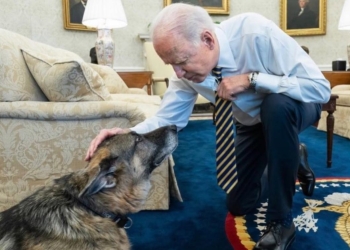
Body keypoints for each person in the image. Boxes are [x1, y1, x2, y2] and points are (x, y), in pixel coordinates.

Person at [85, 3, 330, 249]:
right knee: (239, 204)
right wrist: (129, 134)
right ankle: (292, 154)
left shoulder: (256, 34)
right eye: (171, 64)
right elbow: (168, 119)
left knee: (276, 106)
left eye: (181, 62)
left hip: (296, 106)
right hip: (251, 124)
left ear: (208, 40)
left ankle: (281, 223)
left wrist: (252, 80)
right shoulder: (185, 74)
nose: (178, 73)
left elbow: (320, 89)